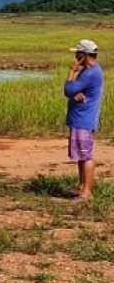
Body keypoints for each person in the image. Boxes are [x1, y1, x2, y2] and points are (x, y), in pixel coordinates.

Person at [64, 39, 104, 202]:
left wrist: (71, 72)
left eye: (78, 54)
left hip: (83, 120)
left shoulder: (89, 73)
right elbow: (73, 91)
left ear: (84, 55)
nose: (75, 57)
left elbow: (68, 89)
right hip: (81, 119)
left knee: (85, 155)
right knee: (81, 155)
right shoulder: (89, 71)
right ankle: (81, 187)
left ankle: (87, 192)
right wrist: (75, 92)